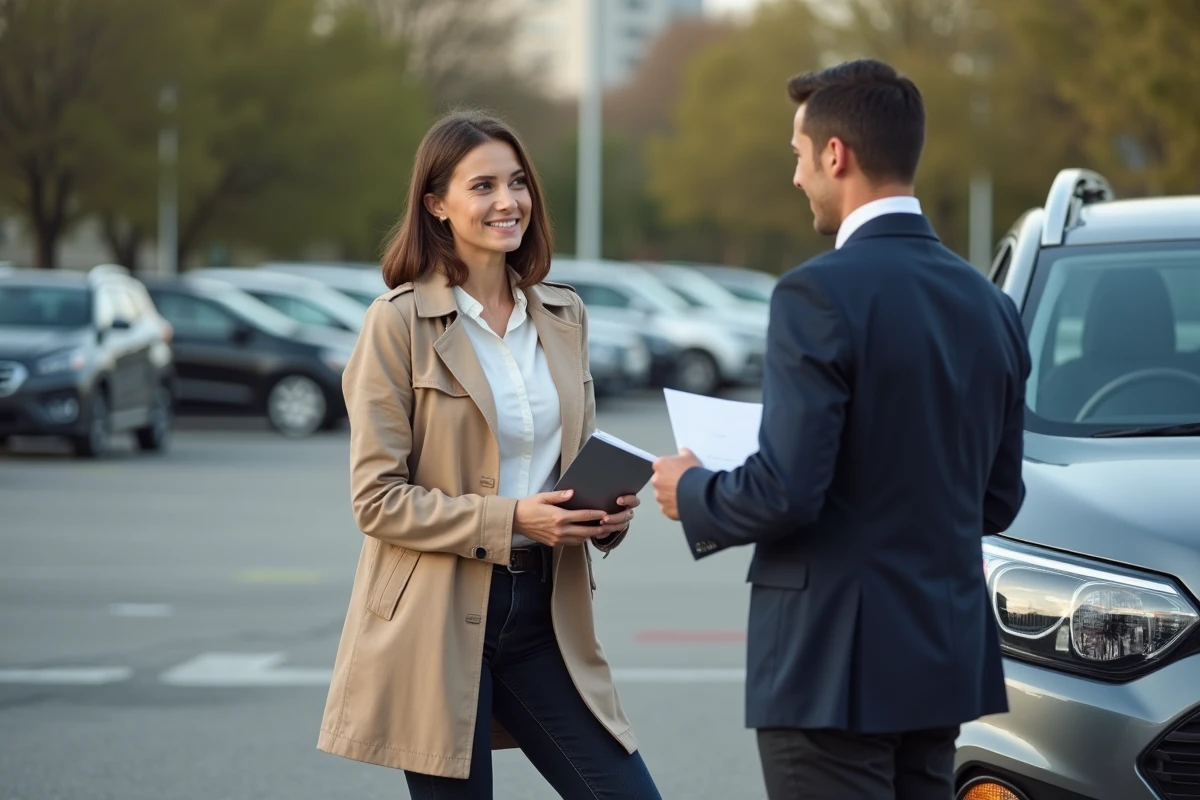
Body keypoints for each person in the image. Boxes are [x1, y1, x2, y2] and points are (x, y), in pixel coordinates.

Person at [650, 59, 1030, 800]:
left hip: (831, 665)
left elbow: (788, 491)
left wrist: (692, 490)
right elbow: (997, 498)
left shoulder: (815, 293)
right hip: (942, 655)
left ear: (835, 154)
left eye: (797, 155)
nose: (796, 178)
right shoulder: (989, 303)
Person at [317, 110, 661, 800]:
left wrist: (607, 515)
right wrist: (514, 520)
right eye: (482, 187)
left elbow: (570, 464)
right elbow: (376, 500)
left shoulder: (564, 316)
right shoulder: (398, 323)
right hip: (435, 620)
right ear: (437, 205)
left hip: (545, 614)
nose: (508, 202)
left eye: (517, 183)